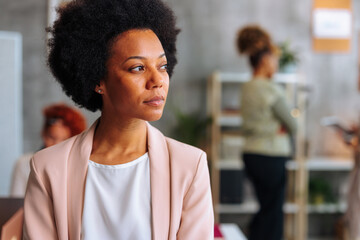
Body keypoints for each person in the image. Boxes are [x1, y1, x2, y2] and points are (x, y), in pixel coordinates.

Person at [23, 0, 214, 239]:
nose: (157, 80)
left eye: (162, 66)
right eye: (137, 68)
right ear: (98, 80)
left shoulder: (189, 165)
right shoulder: (48, 168)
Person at [237, 25, 297, 240]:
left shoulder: (247, 87)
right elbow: (294, 124)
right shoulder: (271, 88)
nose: (276, 64)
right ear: (264, 60)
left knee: (265, 208)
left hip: (251, 155)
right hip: (271, 155)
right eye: (274, 59)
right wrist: (279, 127)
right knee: (272, 213)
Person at [10, 103, 86, 197]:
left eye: (64, 140)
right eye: (51, 137)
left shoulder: (81, 166)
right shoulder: (24, 164)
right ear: (43, 133)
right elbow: (15, 202)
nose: (56, 145)